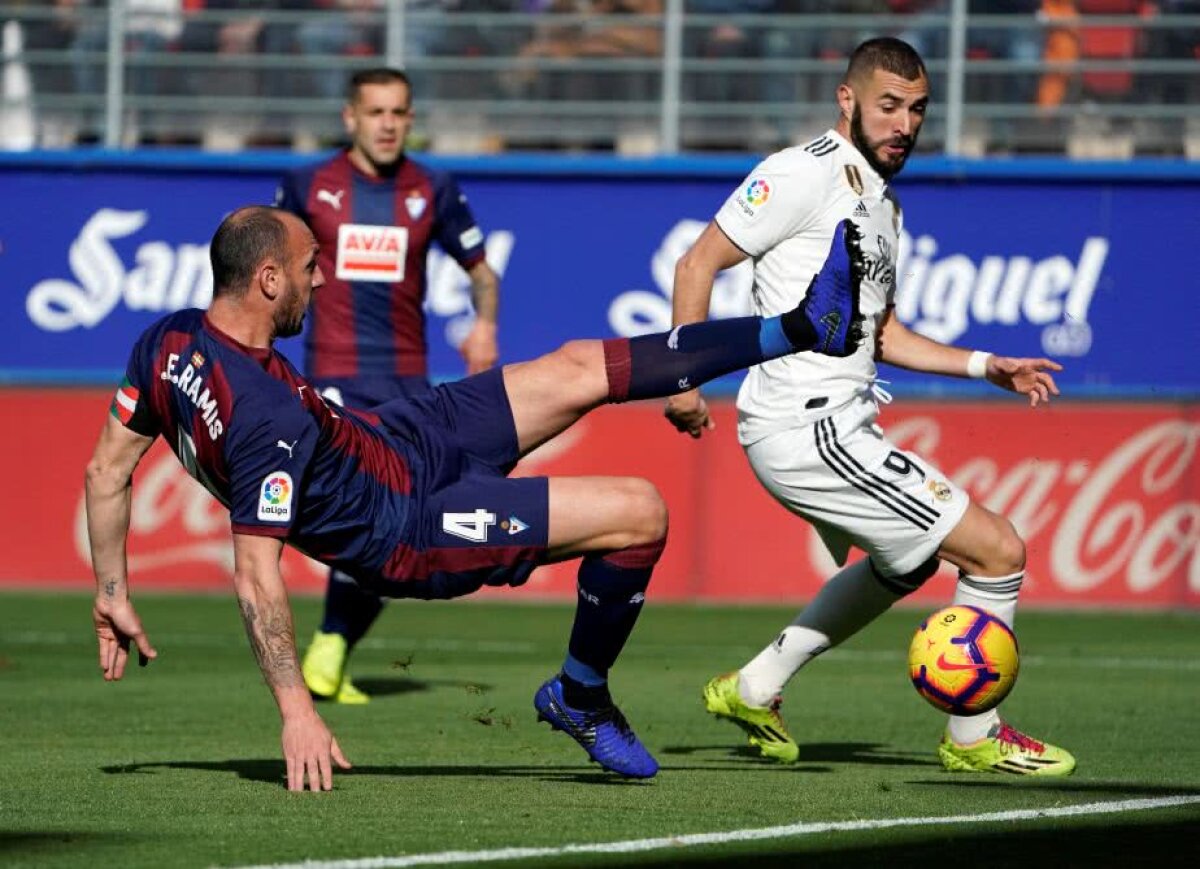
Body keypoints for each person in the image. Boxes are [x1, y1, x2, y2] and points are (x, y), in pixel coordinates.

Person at [85, 204, 866, 791]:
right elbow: (256, 574)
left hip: (396, 435)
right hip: (410, 527)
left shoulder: (168, 341)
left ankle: (804, 325)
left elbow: (106, 470)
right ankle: (581, 695)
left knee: (574, 365)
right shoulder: (264, 417)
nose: (321, 278)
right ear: (267, 279)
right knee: (641, 511)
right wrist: (296, 710)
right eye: (310, 265)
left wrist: (112, 589)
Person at [664, 37, 1076, 776]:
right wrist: (684, 378)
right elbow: (698, 261)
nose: (905, 124)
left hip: (842, 418)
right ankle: (975, 734)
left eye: (917, 109)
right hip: (806, 422)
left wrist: (987, 366)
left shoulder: (882, 202)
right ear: (847, 100)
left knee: (903, 565)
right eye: (889, 106)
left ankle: (756, 685)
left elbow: (880, 331)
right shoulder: (802, 174)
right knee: (998, 549)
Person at [276, 66, 502, 705]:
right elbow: (267, 262)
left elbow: (482, 271)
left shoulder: (432, 188)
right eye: (375, 112)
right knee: (360, 510)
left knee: (400, 522)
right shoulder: (306, 186)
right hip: (333, 374)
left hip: (406, 380)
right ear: (350, 118)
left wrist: (484, 326)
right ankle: (321, 648)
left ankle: (332, 645)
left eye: (398, 112)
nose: (387, 124)